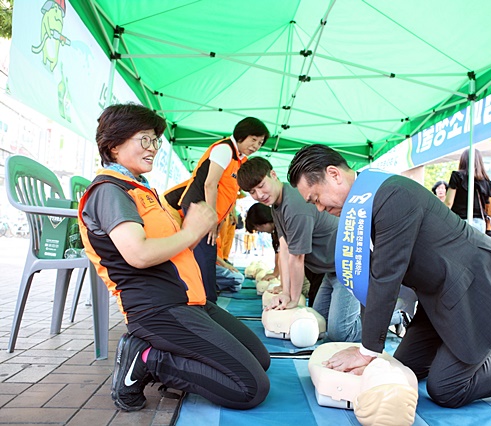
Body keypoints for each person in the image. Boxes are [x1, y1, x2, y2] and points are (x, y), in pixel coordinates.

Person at [287, 144, 491, 408]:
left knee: (447, 387)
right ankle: (485, 338)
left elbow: (386, 277)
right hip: (437, 297)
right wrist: (369, 349)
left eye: (316, 199)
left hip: (474, 286)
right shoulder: (362, 206)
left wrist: (366, 351)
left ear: (333, 175)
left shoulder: (391, 195)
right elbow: (367, 283)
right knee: (403, 367)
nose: (320, 209)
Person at [79, 104, 270, 412]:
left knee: (260, 360)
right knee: (250, 389)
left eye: (155, 140)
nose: (153, 148)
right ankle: (148, 360)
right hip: (158, 309)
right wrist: (191, 231)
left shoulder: (142, 189)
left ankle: (170, 352)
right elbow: (138, 254)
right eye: (145, 139)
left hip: (189, 301)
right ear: (113, 145)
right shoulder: (109, 191)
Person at [237, 157, 362, 342]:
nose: (259, 194)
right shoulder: (276, 207)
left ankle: (393, 316)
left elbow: (297, 257)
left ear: (273, 175)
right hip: (331, 271)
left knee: (340, 333)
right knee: (318, 322)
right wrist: (286, 293)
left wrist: (293, 299)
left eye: (261, 185)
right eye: (252, 192)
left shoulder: (294, 204)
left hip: (348, 267)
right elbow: (285, 250)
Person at [163, 117, 269, 302]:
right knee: (204, 258)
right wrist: (212, 219)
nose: (256, 146)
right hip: (199, 210)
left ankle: (204, 300)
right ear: (242, 135)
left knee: (207, 257)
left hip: (211, 215)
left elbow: (229, 191)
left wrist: (227, 215)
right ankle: (205, 302)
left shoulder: (241, 160)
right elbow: (210, 184)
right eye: (253, 139)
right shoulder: (224, 149)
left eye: (260, 143)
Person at [445, 148, 491, 233]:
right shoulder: (486, 181)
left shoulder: (457, 176)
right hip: (480, 224)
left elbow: (448, 203)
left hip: (461, 223)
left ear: (463, 160)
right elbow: (487, 205)